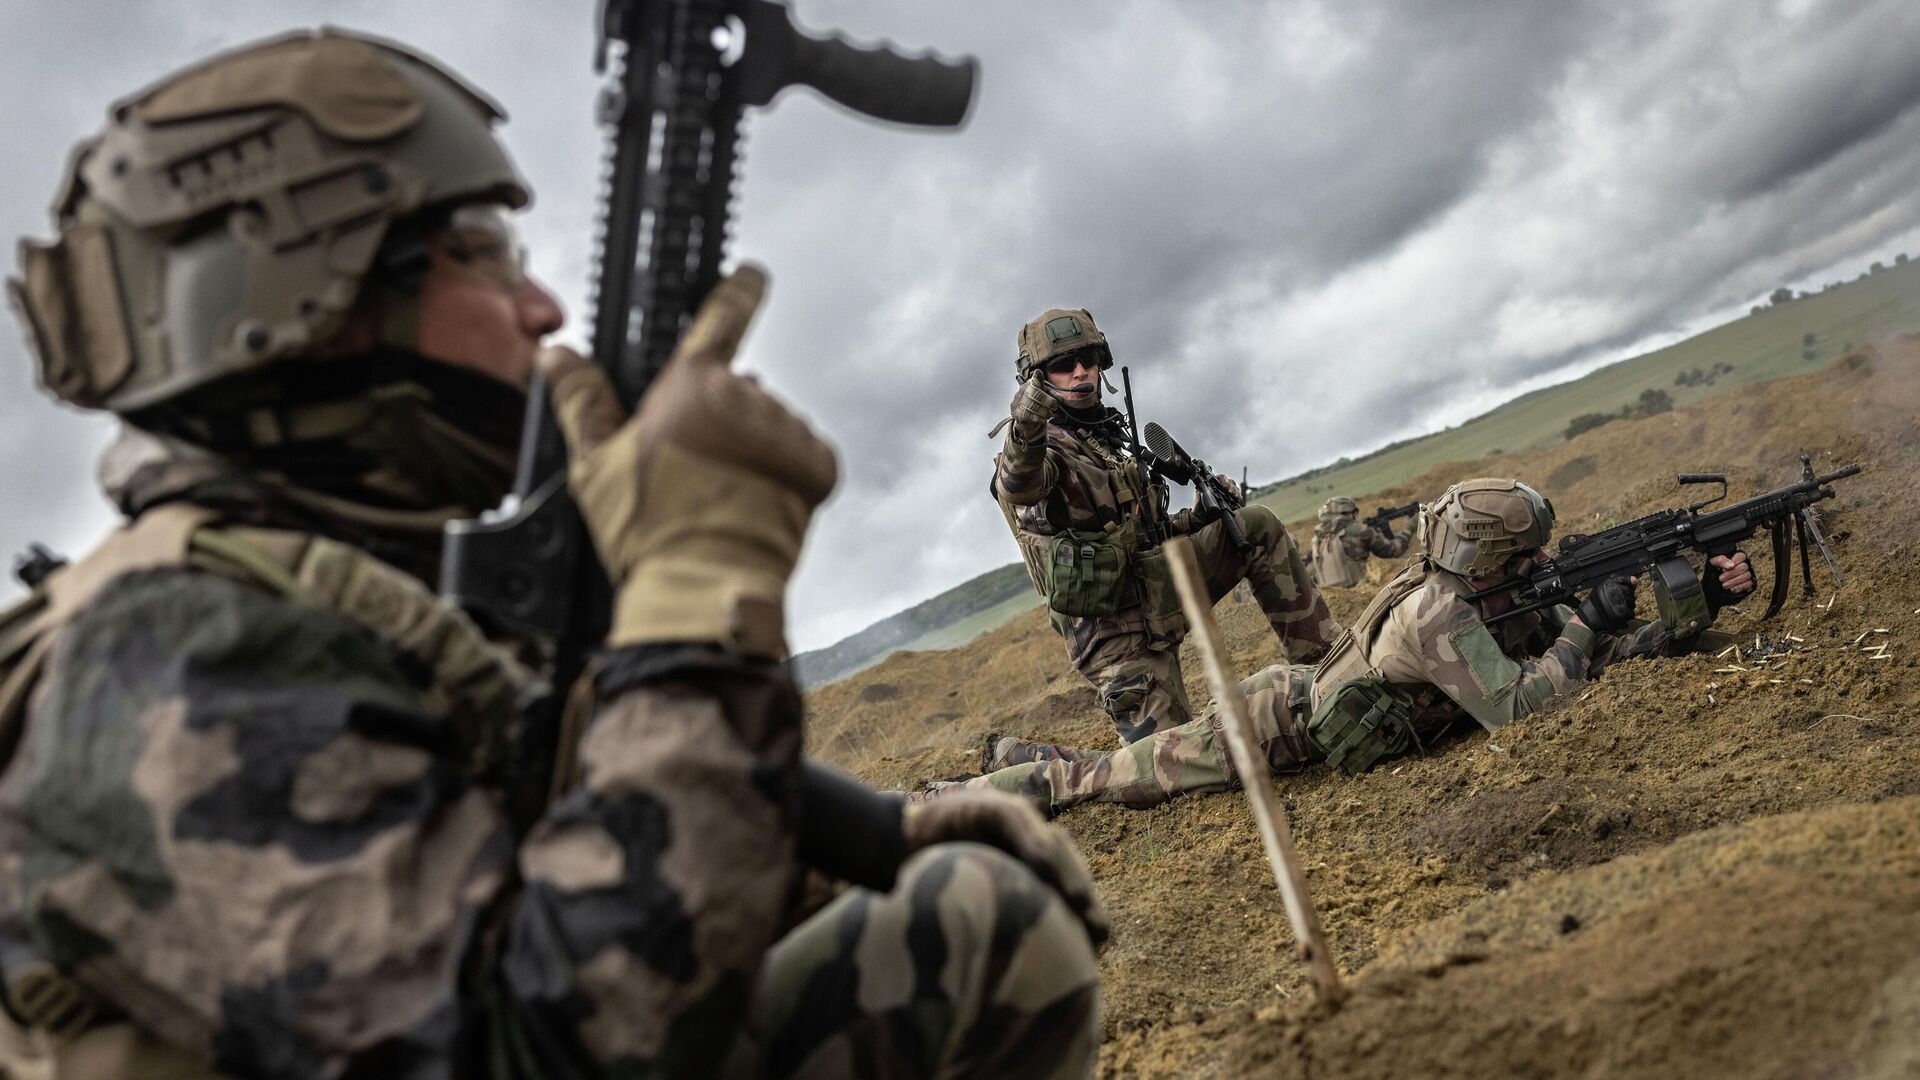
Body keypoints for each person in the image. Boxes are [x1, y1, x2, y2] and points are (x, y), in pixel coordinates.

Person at [0, 30, 1104, 1078]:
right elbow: (529, 1045)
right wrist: (695, 595)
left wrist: (864, 838)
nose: (539, 308)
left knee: (961, 923)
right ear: (301, 304)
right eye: (478, 257)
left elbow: (529, 841)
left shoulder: (345, 593)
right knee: (980, 930)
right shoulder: (158, 658)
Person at [935, 477, 1755, 818]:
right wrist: (1588, 621)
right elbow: (1521, 705)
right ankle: (952, 799)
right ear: (1491, 557)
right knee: (1102, 782)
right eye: (1527, 555)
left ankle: (1015, 756)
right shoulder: (1441, 614)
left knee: (1132, 761)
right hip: (1270, 722)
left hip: (1306, 691)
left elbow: (1578, 662)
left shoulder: (1485, 597)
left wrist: (1688, 610)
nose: (1543, 564)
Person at [990, 308, 1341, 765]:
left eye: (1089, 358)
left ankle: (1330, 674)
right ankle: (1024, 761)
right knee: (1177, 766)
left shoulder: (1108, 439)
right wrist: (1026, 427)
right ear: (1036, 379)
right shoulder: (1043, 448)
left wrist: (1195, 518)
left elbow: (1146, 534)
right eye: (1062, 364)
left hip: (1160, 593)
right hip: (1117, 632)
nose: (1080, 371)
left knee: (1256, 526)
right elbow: (1019, 485)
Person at [1308, 495, 1412, 588]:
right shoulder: (1359, 531)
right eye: (1353, 513)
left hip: (1334, 601)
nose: (1355, 517)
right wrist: (1411, 526)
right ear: (1346, 513)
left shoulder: (1316, 540)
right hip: (1361, 595)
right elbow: (1393, 550)